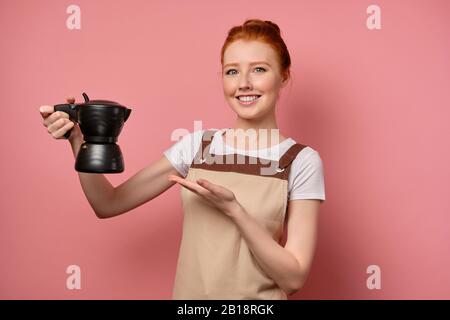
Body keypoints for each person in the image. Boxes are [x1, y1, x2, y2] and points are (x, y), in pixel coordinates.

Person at [39, 19, 325, 300]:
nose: (244, 84)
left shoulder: (301, 161)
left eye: (259, 70)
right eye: (232, 71)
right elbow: (107, 204)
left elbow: (293, 278)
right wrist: (78, 140)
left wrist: (234, 210)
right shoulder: (196, 147)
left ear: (284, 76)